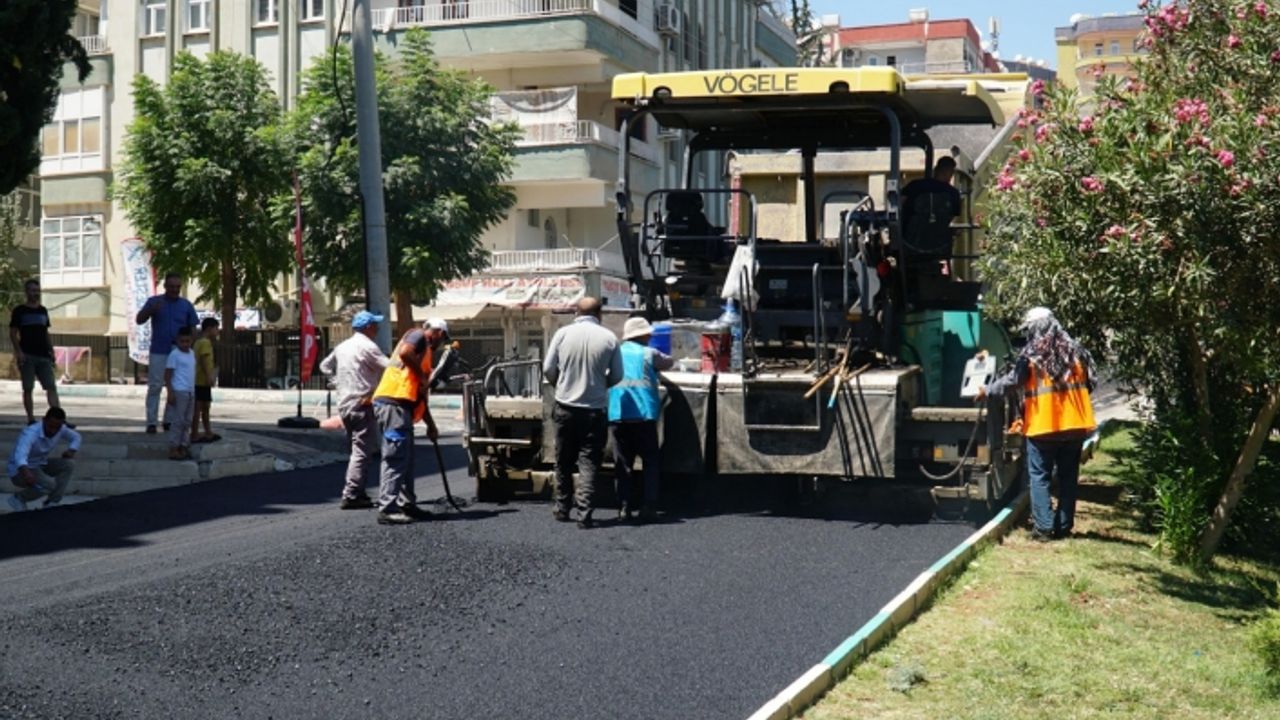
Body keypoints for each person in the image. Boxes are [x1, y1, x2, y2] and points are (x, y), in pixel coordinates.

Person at [978, 307, 1097, 542]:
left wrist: (988, 391)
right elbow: (1091, 382)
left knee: (1039, 477)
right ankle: (1063, 527)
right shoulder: (1078, 352)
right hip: (1074, 426)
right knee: (1068, 477)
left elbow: (1013, 382)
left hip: (1043, 427)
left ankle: (1043, 528)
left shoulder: (1032, 356)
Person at [543, 297, 623, 529]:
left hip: (565, 407)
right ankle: (585, 513)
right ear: (600, 314)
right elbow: (617, 375)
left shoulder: (562, 334)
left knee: (564, 460)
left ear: (576, 312)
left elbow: (548, 368)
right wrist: (599, 386)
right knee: (588, 463)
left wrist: (561, 384)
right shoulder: (609, 338)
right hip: (594, 411)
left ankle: (562, 508)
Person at [369, 318, 448, 525]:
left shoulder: (424, 355)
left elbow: (420, 396)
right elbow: (405, 353)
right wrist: (422, 376)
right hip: (393, 404)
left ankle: (407, 504)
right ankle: (387, 508)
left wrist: (431, 425)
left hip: (402, 407)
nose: (440, 343)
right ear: (438, 332)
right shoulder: (418, 336)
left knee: (407, 459)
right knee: (395, 458)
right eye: (442, 337)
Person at [319, 310, 390, 510]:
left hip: (345, 405)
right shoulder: (368, 346)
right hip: (362, 404)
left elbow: (324, 366)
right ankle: (351, 494)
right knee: (362, 452)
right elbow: (390, 367)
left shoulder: (343, 346)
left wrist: (337, 382)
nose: (377, 328)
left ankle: (358, 491)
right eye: (375, 325)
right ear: (367, 327)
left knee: (356, 450)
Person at [608, 317, 674, 523]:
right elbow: (669, 362)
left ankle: (624, 507)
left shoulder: (614, 352)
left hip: (618, 414)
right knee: (650, 461)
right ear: (642, 335)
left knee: (623, 463)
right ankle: (649, 505)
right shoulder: (649, 353)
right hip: (643, 416)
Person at [135, 272, 199, 434]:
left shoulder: (186, 305)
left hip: (178, 351)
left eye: (177, 287)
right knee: (155, 386)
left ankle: (169, 421)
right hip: (159, 349)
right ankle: (151, 422)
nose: (174, 290)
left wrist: (191, 346)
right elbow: (139, 319)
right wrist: (150, 310)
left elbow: (193, 327)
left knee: (176, 386)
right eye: (171, 286)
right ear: (165, 286)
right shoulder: (155, 302)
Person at [6, 406, 80, 512]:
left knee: (69, 464)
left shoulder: (60, 429)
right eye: (50, 426)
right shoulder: (30, 433)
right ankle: (18, 498)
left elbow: (76, 437)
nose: (52, 431)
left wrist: (71, 450)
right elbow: (20, 456)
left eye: (57, 428)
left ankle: (51, 502)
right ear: (44, 420)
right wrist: (26, 473)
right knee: (49, 484)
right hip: (20, 470)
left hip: (40, 465)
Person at [9, 279, 60, 425]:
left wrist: (51, 350)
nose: (35, 293)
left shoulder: (43, 310)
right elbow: (13, 333)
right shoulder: (20, 311)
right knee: (28, 388)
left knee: (51, 387)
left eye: (37, 290)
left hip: (43, 355)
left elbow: (45, 332)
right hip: (27, 355)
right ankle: (31, 419)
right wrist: (19, 352)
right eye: (32, 290)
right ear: (26, 292)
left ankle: (58, 419)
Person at [165, 326, 197, 461]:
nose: (185, 344)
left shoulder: (191, 353)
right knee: (178, 421)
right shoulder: (174, 355)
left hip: (190, 391)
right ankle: (174, 447)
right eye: (182, 341)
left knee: (187, 421)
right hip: (179, 391)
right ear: (177, 341)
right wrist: (170, 392)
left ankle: (184, 446)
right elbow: (167, 375)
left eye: (187, 341)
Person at [191, 317, 221, 444]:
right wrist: (210, 376)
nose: (217, 331)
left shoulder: (198, 342)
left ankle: (207, 431)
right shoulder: (205, 343)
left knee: (204, 407)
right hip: (201, 380)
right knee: (200, 408)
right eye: (216, 328)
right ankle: (196, 433)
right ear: (209, 328)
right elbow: (204, 360)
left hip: (199, 380)